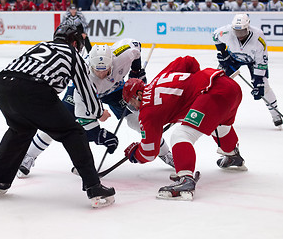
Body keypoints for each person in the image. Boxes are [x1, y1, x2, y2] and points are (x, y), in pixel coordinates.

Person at [0, 24, 115, 208]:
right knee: (73, 133)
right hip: (33, 89)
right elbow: (85, 89)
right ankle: (94, 187)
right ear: (75, 42)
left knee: (19, 130)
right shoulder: (72, 53)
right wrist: (99, 112)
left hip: (1, 85)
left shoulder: (39, 46)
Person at [17, 39, 174, 178]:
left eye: (104, 69)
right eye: (97, 70)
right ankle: (28, 156)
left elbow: (136, 46)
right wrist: (100, 133)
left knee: (139, 120)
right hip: (87, 91)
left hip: (116, 89)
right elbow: (84, 117)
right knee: (58, 121)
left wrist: (136, 71)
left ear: (112, 61)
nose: (101, 74)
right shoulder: (83, 78)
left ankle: (165, 153)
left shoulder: (122, 53)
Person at [123, 55, 246, 200]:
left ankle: (185, 179)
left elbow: (149, 152)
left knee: (181, 135)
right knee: (218, 124)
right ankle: (232, 155)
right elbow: (189, 61)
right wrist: (194, 87)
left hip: (212, 94)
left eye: (131, 102)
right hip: (227, 84)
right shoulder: (160, 77)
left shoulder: (147, 112)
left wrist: (135, 154)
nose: (134, 107)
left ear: (138, 94)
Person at [213, 14, 282, 128]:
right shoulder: (226, 31)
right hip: (233, 59)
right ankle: (213, 112)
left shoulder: (258, 36)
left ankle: (275, 114)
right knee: (217, 81)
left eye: (242, 32)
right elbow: (215, 36)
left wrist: (258, 81)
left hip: (253, 61)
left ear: (248, 28)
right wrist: (223, 53)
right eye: (237, 32)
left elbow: (261, 60)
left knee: (264, 86)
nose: (239, 35)